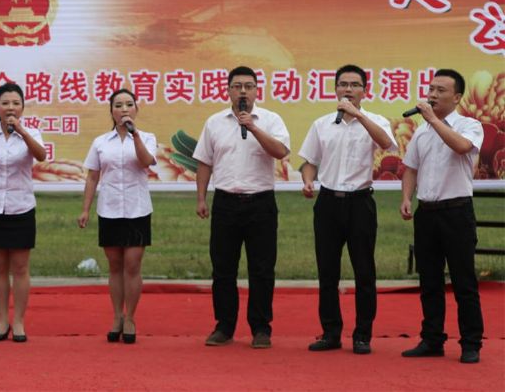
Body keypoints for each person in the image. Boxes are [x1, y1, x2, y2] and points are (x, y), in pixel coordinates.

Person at [299, 65, 396, 355]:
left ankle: (362, 335)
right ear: (335, 89)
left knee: (364, 271)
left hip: (360, 203)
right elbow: (309, 161)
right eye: (343, 84)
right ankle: (330, 333)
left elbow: (386, 143)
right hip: (328, 202)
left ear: (365, 91)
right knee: (327, 271)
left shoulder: (375, 121)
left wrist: (359, 116)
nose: (348, 89)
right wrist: (307, 180)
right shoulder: (322, 124)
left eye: (355, 85)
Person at [193, 66, 290, 349]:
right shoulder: (214, 122)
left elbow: (281, 152)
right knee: (223, 268)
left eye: (248, 86)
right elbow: (204, 162)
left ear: (257, 90)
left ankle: (261, 328)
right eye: (237, 86)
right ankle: (224, 326)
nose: (243, 91)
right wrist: (201, 198)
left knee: (262, 269)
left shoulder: (270, 120)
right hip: (225, 202)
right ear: (228, 90)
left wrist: (254, 128)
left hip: (261, 203)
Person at [399, 69, 485, 364]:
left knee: (463, 281)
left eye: (440, 90)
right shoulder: (421, 131)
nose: (432, 95)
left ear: (457, 97)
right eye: (431, 89)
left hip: (456, 212)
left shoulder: (469, 125)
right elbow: (411, 167)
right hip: (427, 213)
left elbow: (462, 147)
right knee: (430, 281)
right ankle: (432, 339)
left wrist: (433, 120)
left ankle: (471, 343)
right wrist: (406, 197)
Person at [0, 83, 47, 343]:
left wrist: (21, 131)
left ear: (22, 108)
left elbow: (41, 156)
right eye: (5, 103)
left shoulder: (31, 133)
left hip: (21, 206)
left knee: (21, 267)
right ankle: (2, 320)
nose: (10, 107)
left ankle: (19, 322)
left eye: (16, 103)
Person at [78, 89, 157, 345]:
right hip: (110, 208)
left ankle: (131, 317)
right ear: (111, 111)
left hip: (137, 208)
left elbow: (146, 162)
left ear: (136, 109)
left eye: (129, 104)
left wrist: (135, 135)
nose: (124, 109)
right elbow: (92, 177)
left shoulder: (147, 137)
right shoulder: (101, 142)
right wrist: (85, 209)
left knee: (132, 265)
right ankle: (117, 316)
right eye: (119, 105)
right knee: (114, 265)